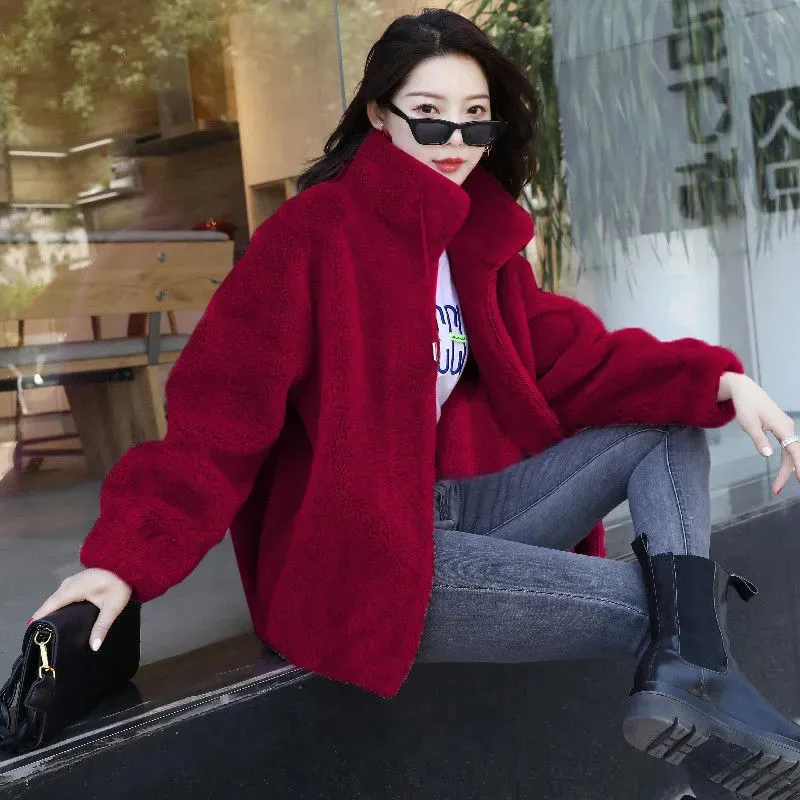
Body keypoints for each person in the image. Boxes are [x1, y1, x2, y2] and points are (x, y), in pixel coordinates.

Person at [28, 8, 800, 795]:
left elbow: (575, 359)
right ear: (379, 114)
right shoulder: (313, 236)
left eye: (475, 119)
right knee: (676, 609)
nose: (454, 141)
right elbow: (216, 421)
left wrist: (723, 382)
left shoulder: (480, 243)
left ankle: (710, 725)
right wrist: (123, 563)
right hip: (362, 558)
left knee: (672, 437)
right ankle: (725, 752)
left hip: (460, 512)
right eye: (429, 116)